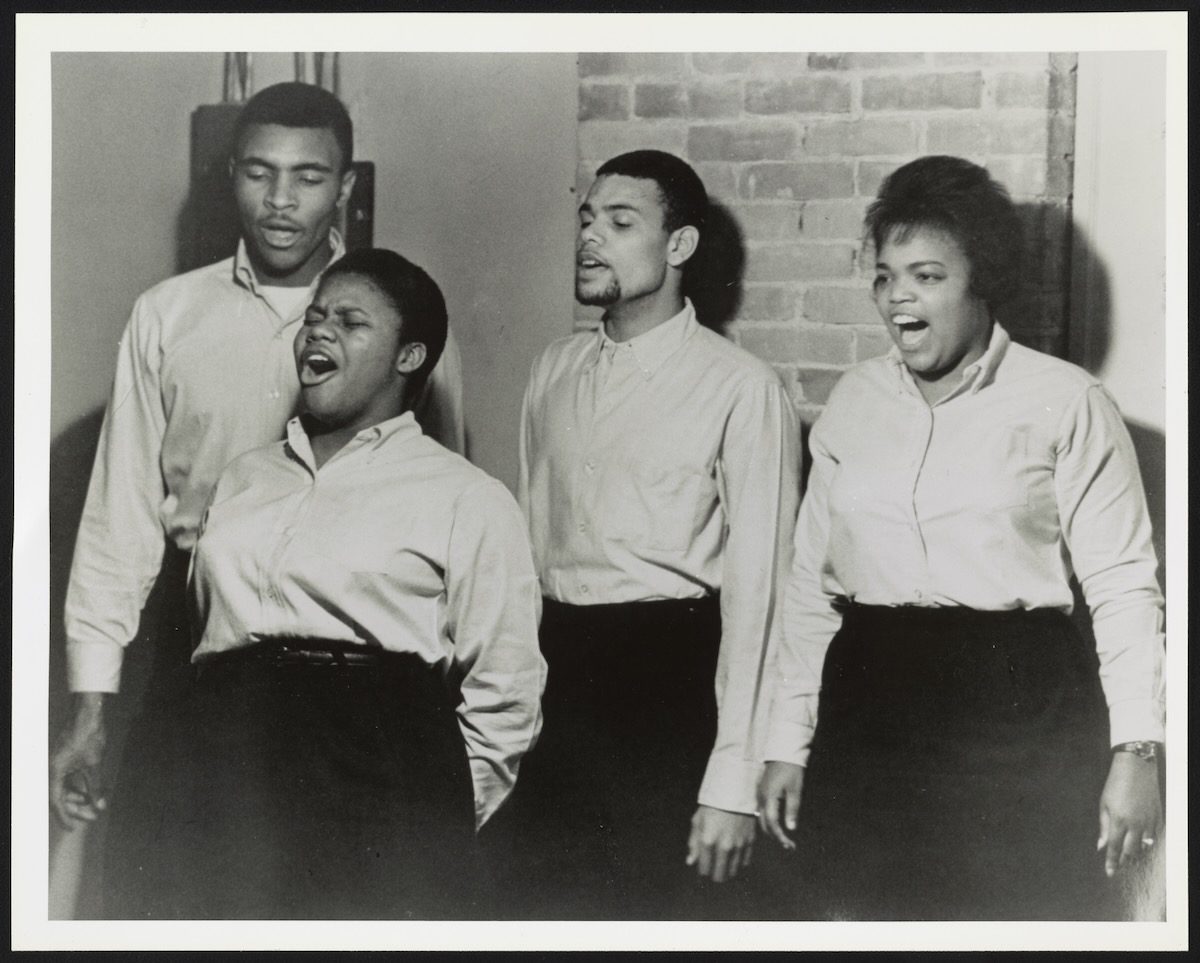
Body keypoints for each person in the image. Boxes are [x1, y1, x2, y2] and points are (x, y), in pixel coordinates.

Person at [50, 83, 465, 842]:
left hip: (363, 662)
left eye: (308, 177)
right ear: (231, 175)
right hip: (197, 646)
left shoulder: (410, 320)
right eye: (257, 172)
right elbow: (119, 521)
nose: (280, 200)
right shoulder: (167, 314)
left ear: (344, 187)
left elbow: (453, 515)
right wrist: (90, 703)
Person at [757, 155, 1165, 921]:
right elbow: (811, 585)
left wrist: (1136, 751)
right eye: (885, 276)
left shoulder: (1068, 400)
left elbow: (1122, 585)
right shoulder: (854, 401)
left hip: (1017, 712)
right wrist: (787, 739)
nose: (898, 298)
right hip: (869, 706)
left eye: (927, 275)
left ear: (983, 284)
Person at [89, 248, 545, 918]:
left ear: (409, 356)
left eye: (352, 321)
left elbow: (506, 696)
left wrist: (428, 817)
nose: (319, 331)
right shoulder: (245, 475)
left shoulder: (466, 496)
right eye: (316, 316)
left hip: (371, 766)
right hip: (218, 758)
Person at [512, 150, 801, 918]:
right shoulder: (551, 370)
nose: (590, 238)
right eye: (586, 218)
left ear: (679, 247)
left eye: (620, 221)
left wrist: (732, 778)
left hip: (668, 690)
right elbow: (529, 549)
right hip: (557, 683)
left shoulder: (743, 388)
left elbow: (762, 595)